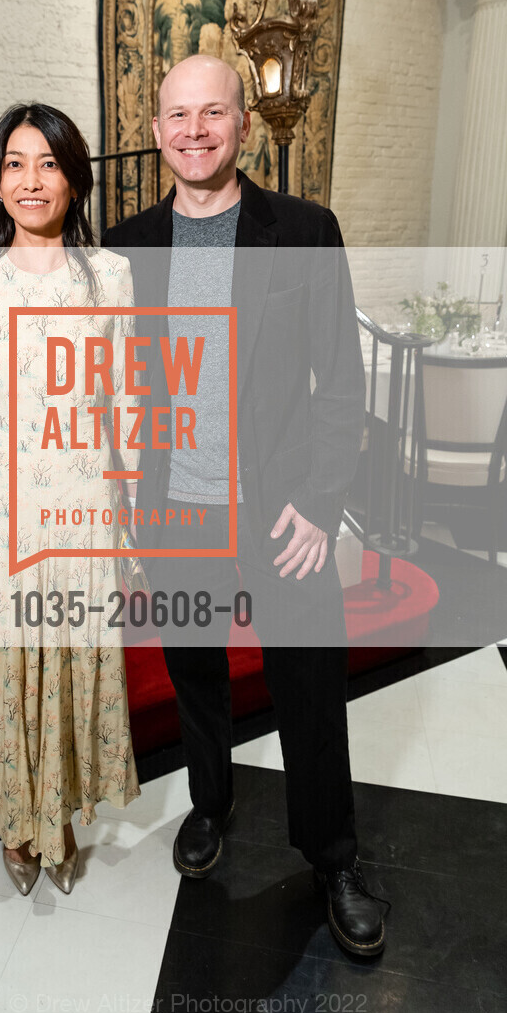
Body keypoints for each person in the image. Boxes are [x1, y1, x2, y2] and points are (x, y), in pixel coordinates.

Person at [103, 55, 389, 957]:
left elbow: (342, 386)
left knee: (308, 685)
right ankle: (209, 804)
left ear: (243, 125)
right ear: (156, 131)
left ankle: (332, 856)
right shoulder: (124, 245)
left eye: (213, 113)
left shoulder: (303, 231)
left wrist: (318, 503)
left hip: (281, 513)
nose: (195, 131)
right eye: (178, 116)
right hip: (177, 507)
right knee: (195, 674)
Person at [0, 103, 140, 898]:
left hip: (83, 500)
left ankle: (58, 815)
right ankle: (20, 823)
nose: (32, 180)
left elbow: (125, 400)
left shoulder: (111, 274)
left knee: (74, 661)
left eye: (48, 163)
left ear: (73, 177)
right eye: (16, 163)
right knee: (15, 668)